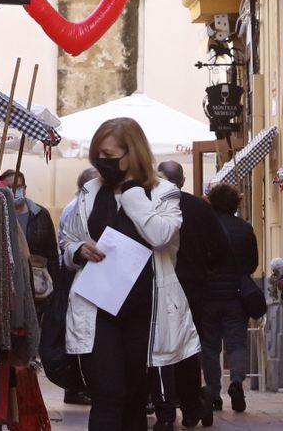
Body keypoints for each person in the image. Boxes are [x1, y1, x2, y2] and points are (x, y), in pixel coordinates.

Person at [61, 118, 200, 431]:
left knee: (136, 397)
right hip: (99, 307)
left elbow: (161, 234)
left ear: (132, 154)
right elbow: (67, 240)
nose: (102, 163)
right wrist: (78, 249)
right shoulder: (90, 191)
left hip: (145, 309)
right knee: (108, 394)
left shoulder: (164, 193)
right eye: (98, 155)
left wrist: (132, 193)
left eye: (109, 155)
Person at [150, 161, 227, 430]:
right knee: (187, 349)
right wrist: (207, 269)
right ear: (182, 181)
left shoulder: (151, 206)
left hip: (158, 284)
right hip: (192, 285)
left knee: (159, 347)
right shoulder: (199, 207)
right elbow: (221, 246)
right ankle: (191, 409)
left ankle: (166, 411)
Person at [201, 183, 258, 414]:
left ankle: (214, 394)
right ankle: (236, 382)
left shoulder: (204, 229)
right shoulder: (244, 229)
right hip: (236, 296)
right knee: (236, 344)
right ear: (236, 203)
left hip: (208, 297)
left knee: (210, 347)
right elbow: (252, 264)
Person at [56, 166, 101, 406]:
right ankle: (77, 387)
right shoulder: (75, 208)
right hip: (82, 275)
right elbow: (67, 243)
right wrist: (80, 248)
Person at [1, 169, 59, 271]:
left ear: (24, 189)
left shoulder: (41, 214)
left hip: (38, 277)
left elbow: (52, 253)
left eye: (17, 187)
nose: (13, 192)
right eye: (8, 188)